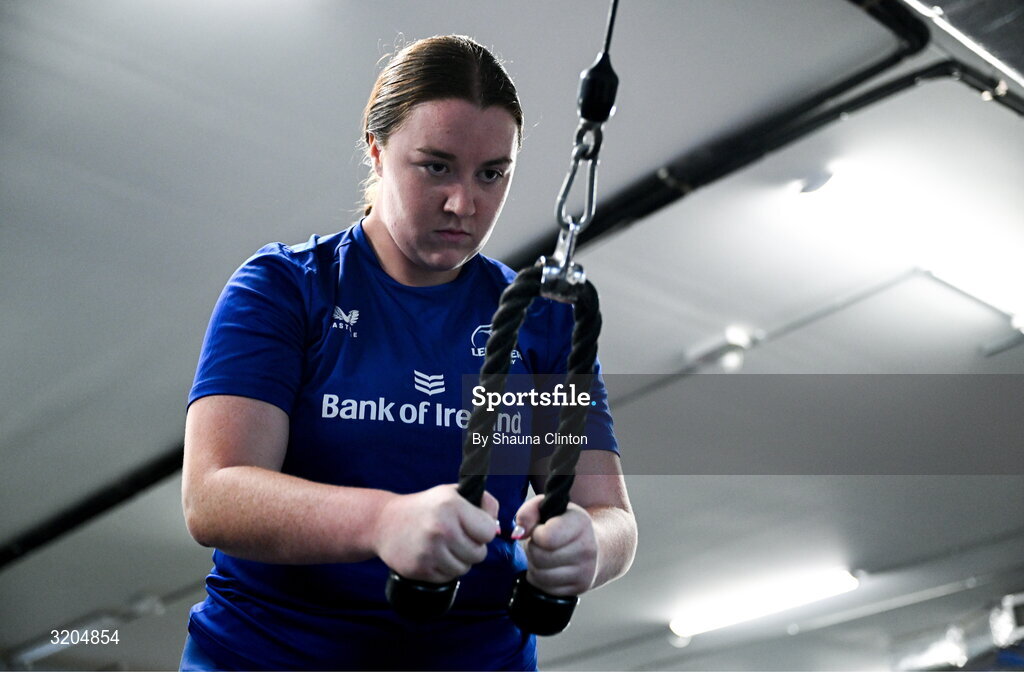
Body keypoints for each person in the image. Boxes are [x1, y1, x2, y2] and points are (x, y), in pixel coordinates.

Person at [180, 34, 637, 671]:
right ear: (376, 148)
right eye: (436, 166)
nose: (464, 204)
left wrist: (589, 546)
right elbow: (214, 495)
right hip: (269, 653)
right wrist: (382, 522)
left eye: (491, 174)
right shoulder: (287, 290)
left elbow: (609, 513)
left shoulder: (542, 321)